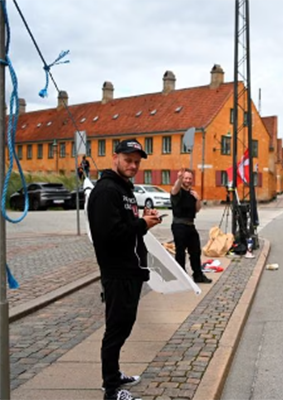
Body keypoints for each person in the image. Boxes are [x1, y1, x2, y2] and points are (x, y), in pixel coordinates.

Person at [87, 138, 161, 400]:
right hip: (117, 271)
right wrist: (142, 224)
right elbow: (109, 235)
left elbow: (127, 226)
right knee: (116, 330)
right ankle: (111, 390)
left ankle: (114, 374)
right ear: (115, 158)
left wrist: (144, 221)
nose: (133, 166)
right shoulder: (106, 191)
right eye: (128, 160)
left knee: (124, 326)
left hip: (130, 268)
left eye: (137, 162)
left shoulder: (124, 189)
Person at [170, 168, 212, 284]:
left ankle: (198, 275)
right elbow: (174, 190)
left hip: (190, 225)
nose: (188, 180)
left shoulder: (192, 193)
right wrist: (179, 179)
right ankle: (181, 276)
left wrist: (198, 199)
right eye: (185, 178)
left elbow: (197, 210)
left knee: (195, 251)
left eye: (190, 178)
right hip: (179, 225)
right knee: (180, 252)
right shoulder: (177, 192)